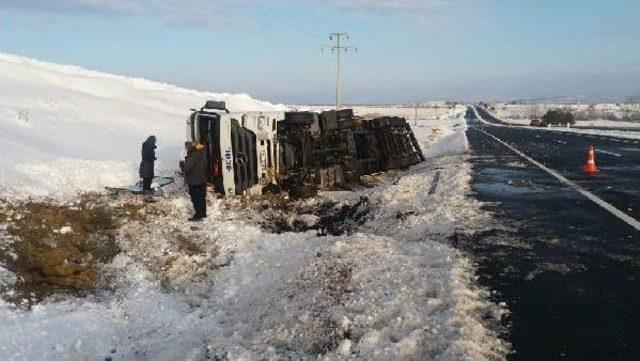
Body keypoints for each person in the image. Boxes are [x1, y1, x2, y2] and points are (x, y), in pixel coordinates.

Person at [180, 142, 207, 221]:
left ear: (189, 148)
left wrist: (181, 163)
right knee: (202, 198)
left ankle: (198, 216)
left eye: (186, 148)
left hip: (194, 181)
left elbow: (186, 169)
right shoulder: (201, 153)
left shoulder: (192, 156)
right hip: (202, 180)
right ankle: (203, 213)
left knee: (196, 198)